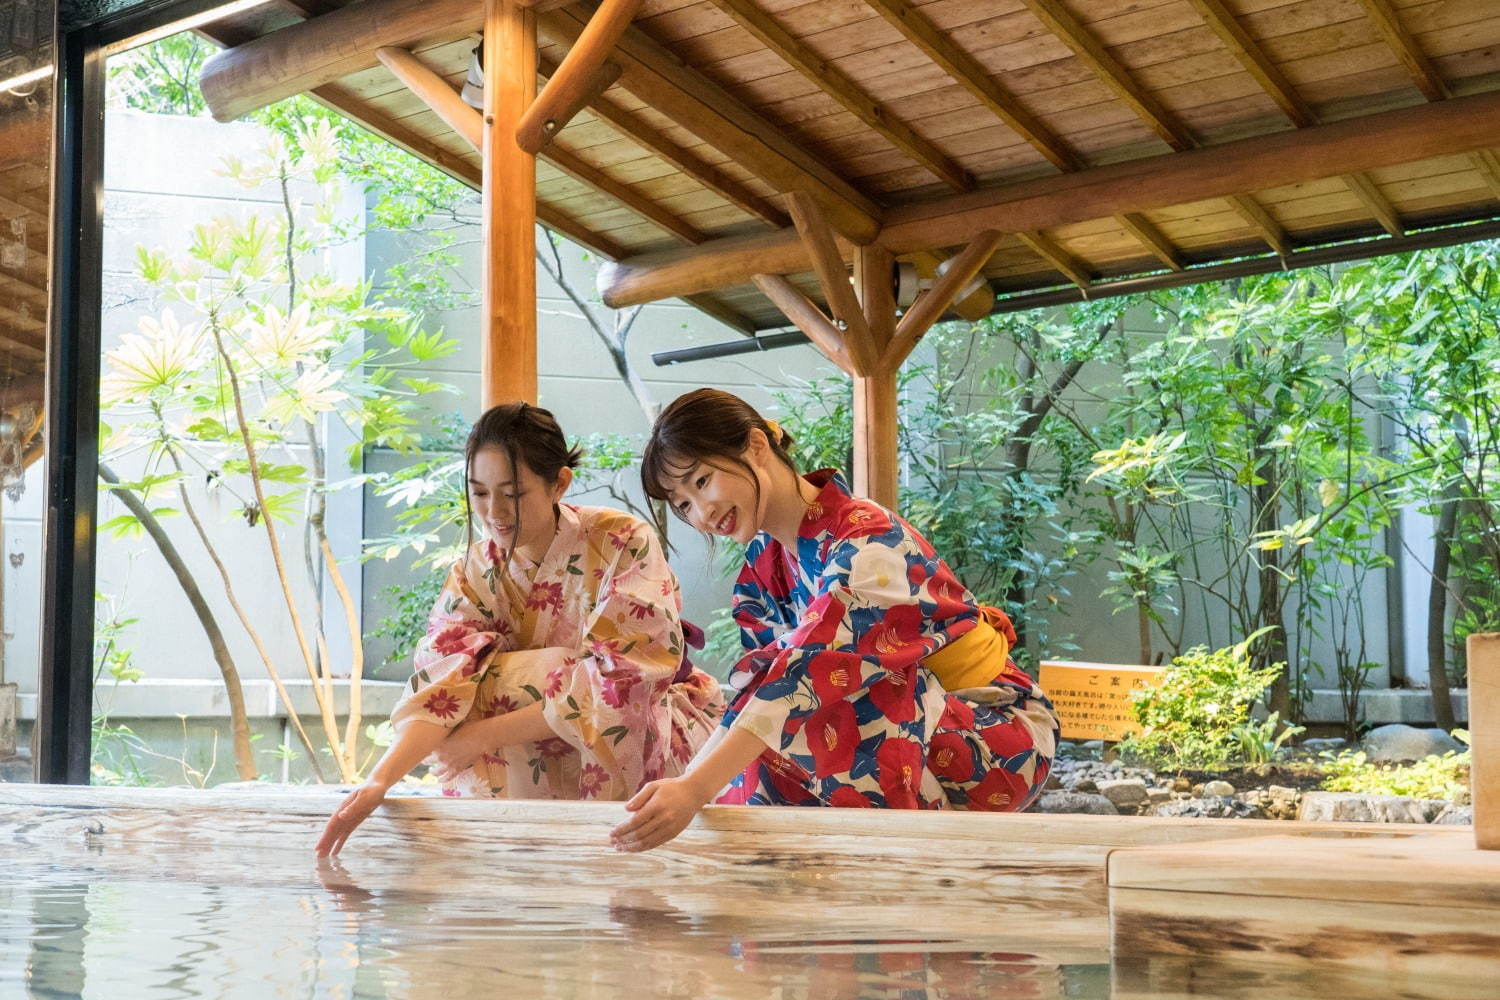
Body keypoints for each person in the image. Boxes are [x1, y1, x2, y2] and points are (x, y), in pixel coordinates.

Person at [610, 388, 1058, 853]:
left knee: (838, 693)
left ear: (757, 446)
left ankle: (889, 867)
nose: (701, 514)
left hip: (996, 733)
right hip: (927, 731)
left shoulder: (869, 540)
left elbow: (803, 676)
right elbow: (763, 695)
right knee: (774, 728)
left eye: (702, 482)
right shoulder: (762, 570)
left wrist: (695, 788)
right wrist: (687, 785)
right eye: (682, 505)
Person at [317, 402, 725, 855]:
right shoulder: (475, 567)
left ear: (560, 484)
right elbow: (440, 681)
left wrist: (481, 736)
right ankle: (503, 857)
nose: (494, 512)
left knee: (560, 669)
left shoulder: (620, 539)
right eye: (479, 493)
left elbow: (626, 681)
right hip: (529, 748)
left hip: (636, 733)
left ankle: (596, 850)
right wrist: (378, 782)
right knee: (469, 683)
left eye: (512, 494)